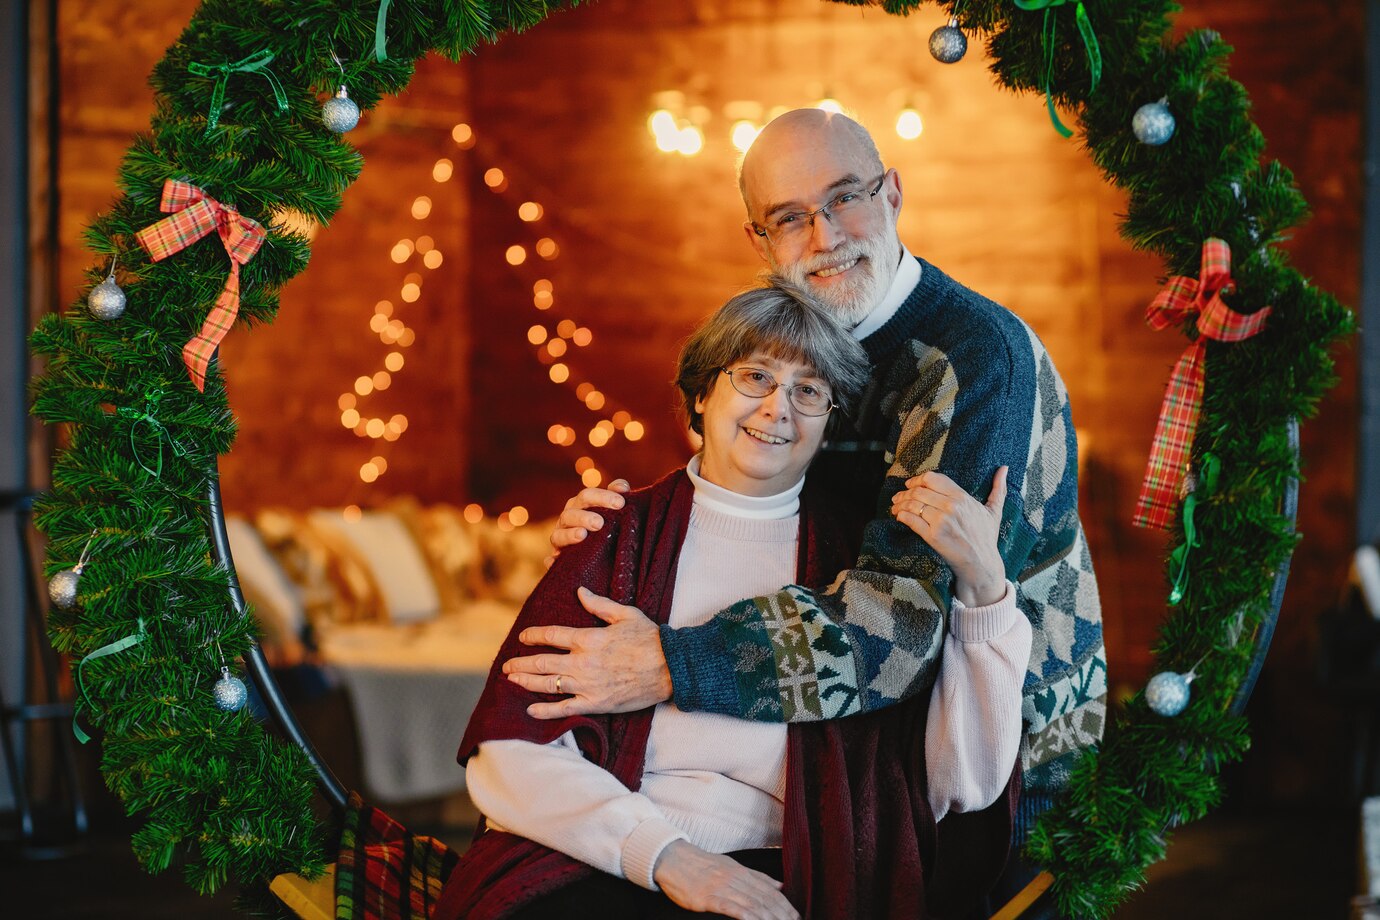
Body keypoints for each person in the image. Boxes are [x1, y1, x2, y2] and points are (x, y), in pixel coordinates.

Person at [504, 109, 1106, 858]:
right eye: (790, 218)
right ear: (757, 241)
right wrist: (631, 530)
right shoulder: (805, 344)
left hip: (998, 771)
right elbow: (752, 486)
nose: (825, 238)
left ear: (892, 194)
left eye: (845, 197)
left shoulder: (973, 363)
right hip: (845, 763)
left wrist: (672, 662)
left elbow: (902, 627)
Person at [434, 284, 1032, 920]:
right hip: (611, 852)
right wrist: (669, 858)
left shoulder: (862, 570)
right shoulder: (616, 535)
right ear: (701, 394)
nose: (778, 408)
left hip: (790, 868)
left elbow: (959, 783)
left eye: (809, 390)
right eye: (755, 376)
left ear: (829, 419)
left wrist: (984, 590)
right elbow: (509, 755)